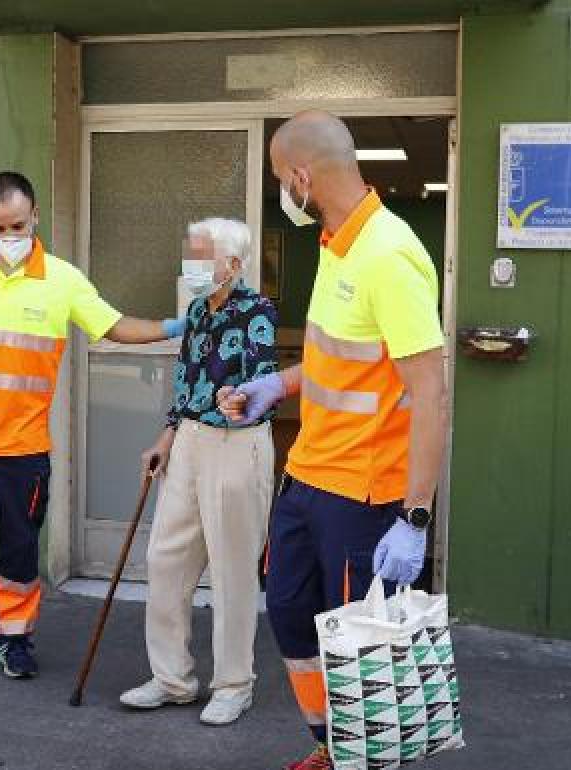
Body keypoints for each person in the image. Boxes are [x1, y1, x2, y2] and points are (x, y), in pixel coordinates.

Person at [218, 112, 448, 770]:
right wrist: (279, 386)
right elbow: (339, 359)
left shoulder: (389, 253)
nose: (281, 191)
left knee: (365, 649)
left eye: (277, 179)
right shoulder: (337, 244)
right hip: (308, 480)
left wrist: (416, 516)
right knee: (291, 616)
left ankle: (367, 754)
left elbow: (429, 392)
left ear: (298, 176)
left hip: (365, 496)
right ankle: (337, 746)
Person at [0, 171, 186, 685]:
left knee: (19, 551)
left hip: (22, 449)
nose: (7, 236)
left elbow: (112, 325)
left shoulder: (62, 280)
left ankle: (15, 641)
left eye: (16, 225)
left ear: (34, 218)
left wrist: (172, 326)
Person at [119, 218, 278, 726]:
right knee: (165, 558)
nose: (191, 266)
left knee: (232, 571)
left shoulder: (256, 310)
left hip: (237, 444)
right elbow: (185, 383)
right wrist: (167, 437)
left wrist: (237, 400)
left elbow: (260, 379)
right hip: (190, 440)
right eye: (189, 255)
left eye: (201, 257)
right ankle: (172, 679)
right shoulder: (194, 311)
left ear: (232, 263)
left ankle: (234, 685)